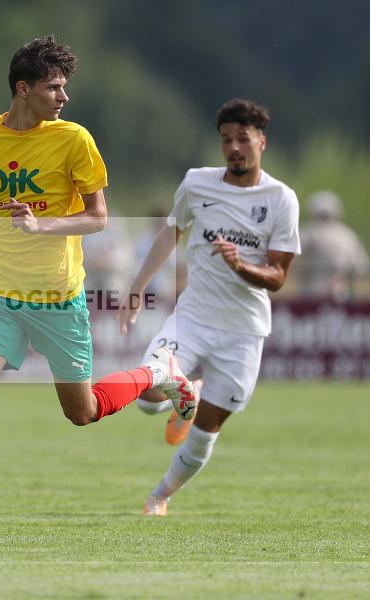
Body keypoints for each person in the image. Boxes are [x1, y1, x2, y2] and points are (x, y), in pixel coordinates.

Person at [0, 35, 196, 541]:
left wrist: (43, 227)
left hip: (58, 297)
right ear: (24, 88)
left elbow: (99, 218)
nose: (63, 97)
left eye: (65, 88)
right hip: (2, 296)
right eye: (54, 87)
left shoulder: (74, 139)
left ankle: (159, 371)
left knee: (80, 412)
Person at [119, 99, 301, 517]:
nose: (234, 147)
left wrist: (241, 264)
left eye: (243, 138)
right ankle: (187, 392)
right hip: (194, 317)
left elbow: (278, 275)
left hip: (244, 331)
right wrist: (137, 286)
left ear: (262, 142)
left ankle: (159, 496)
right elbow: (171, 234)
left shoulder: (281, 200)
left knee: (204, 436)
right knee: (147, 396)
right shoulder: (196, 184)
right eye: (226, 139)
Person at [299, 190, 369, 302]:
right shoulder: (348, 235)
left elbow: (288, 253)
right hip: (341, 294)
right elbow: (361, 267)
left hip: (313, 293)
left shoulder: (310, 232)